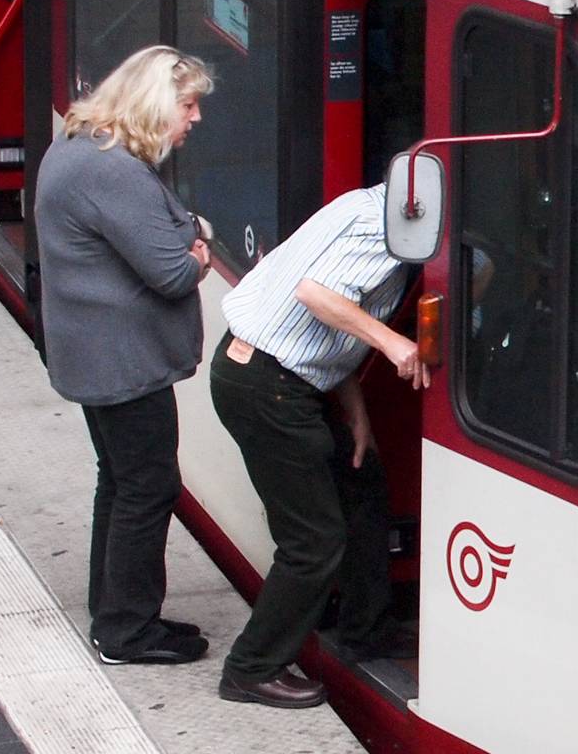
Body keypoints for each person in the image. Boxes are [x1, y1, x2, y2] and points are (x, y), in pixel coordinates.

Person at [210, 185, 427, 709]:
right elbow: (316, 294)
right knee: (314, 541)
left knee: (364, 484)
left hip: (292, 379)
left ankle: (366, 629)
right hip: (268, 386)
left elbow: (327, 332)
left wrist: (355, 413)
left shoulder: (370, 204)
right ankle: (250, 667)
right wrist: (392, 341)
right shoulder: (386, 229)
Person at [35, 45, 218, 667]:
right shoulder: (112, 171)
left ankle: (114, 611)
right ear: (154, 104)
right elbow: (172, 269)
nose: (194, 118)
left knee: (119, 481)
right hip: (122, 363)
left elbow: (171, 222)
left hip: (96, 356)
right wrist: (197, 252)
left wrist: (186, 233)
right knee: (149, 487)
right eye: (187, 105)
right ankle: (126, 633)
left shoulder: (77, 146)